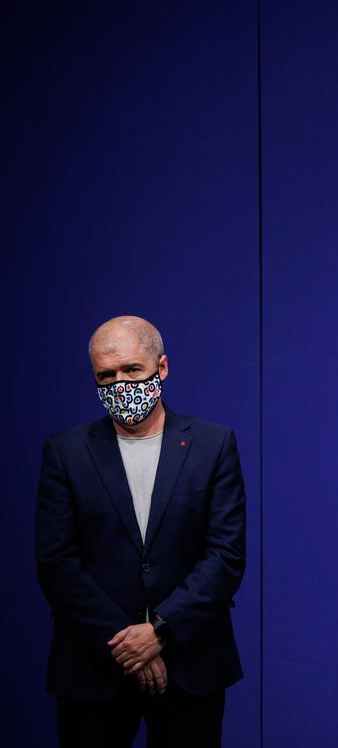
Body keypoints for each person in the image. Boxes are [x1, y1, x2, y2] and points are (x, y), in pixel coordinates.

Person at [35, 316, 247, 747]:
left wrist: (161, 632)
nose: (120, 384)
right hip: (93, 670)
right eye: (106, 375)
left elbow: (225, 555)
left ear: (161, 368)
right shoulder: (65, 451)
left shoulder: (213, 444)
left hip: (191, 665)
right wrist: (127, 644)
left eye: (132, 370)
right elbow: (57, 562)